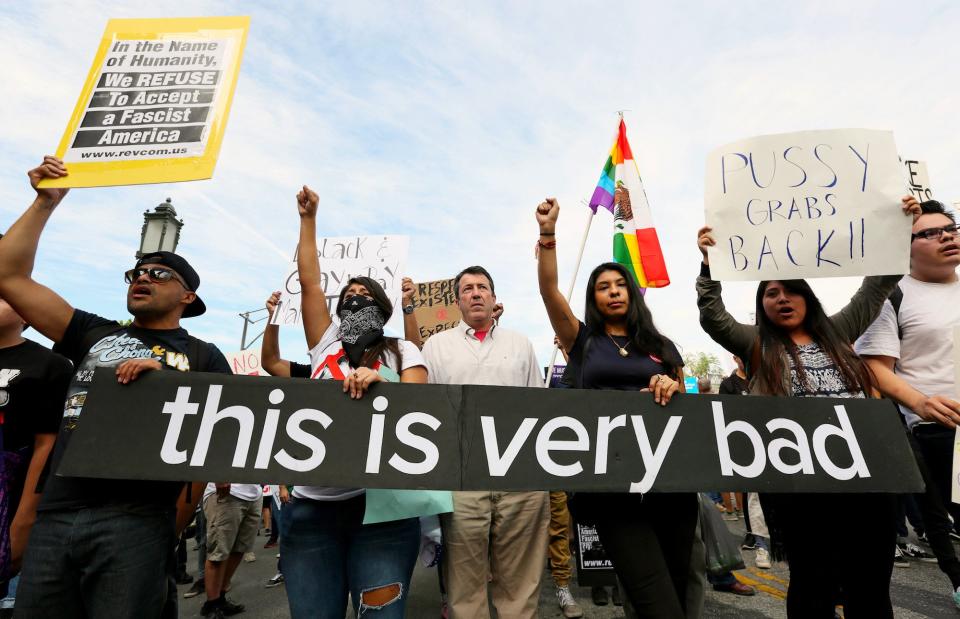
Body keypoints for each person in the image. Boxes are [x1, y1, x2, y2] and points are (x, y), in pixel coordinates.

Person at [0, 156, 231, 619]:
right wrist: (44, 202)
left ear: (188, 297)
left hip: (137, 519)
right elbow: (9, 277)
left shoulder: (204, 356)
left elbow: (215, 440)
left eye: (159, 274)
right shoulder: (94, 334)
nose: (143, 277)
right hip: (59, 512)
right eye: (137, 273)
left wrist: (175, 525)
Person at [695, 195, 920, 618]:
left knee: (869, 583)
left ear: (808, 297)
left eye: (792, 291)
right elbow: (713, 317)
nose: (783, 299)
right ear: (762, 306)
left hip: (864, 474)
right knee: (813, 582)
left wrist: (899, 227)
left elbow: (876, 287)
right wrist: (709, 266)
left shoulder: (839, 329)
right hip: (802, 483)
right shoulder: (757, 344)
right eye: (772, 293)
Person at [535, 196, 693, 618]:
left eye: (619, 284)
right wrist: (548, 234)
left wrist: (670, 387)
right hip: (611, 486)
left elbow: (686, 407)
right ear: (594, 299)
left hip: (670, 483)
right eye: (603, 288)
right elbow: (549, 291)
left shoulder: (663, 346)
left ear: (632, 292)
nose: (612, 292)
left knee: (674, 591)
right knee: (655, 598)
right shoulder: (583, 341)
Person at [281, 185, 428, 619]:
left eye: (363, 297)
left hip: (382, 512)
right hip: (312, 510)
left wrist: (385, 385)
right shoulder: (324, 343)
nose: (354, 302)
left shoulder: (403, 352)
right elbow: (309, 280)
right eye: (346, 299)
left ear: (381, 310)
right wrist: (308, 221)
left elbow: (421, 406)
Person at [422, 264, 548, 619]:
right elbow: (425, 413)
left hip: (520, 478)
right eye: (466, 289)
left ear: (494, 299)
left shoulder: (520, 343)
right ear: (457, 302)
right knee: (464, 584)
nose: (475, 293)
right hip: (462, 480)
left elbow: (539, 407)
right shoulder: (436, 347)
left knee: (520, 583)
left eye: (482, 287)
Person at [855, 198, 960, 606]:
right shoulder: (892, 295)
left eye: (951, 228)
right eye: (930, 232)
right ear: (906, 244)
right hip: (938, 432)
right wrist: (920, 402)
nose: (947, 236)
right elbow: (874, 367)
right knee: (943, 521)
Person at [0, 281, 73, 607]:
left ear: (25, 313)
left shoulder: (49, 365)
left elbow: (48, 445)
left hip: (10, 505)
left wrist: (23, 521)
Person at [200, 482, 262, 617]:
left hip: (253, 493)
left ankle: (220, 598)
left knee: (240, 548)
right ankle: (211, 604)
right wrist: (219, 477)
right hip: (227, 492)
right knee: (218, 552)